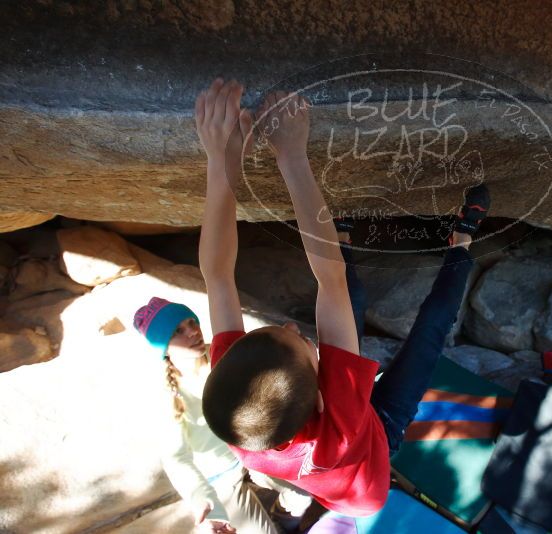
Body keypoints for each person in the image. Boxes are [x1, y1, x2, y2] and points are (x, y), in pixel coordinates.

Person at [194, 78, 490, 517]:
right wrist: (292, 154)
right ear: (319, 395)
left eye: (283, 330)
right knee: (427, 334)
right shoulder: (342, 423)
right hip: (375, 436)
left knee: (345, 299)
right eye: (300, 341)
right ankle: (461, 242)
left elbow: (216, 276)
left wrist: (221, 162)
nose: (294, 327)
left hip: (330, 464)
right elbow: (325, 279)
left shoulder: (240, 416)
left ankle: (345, 233)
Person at [132, 296, 279, 534]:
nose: (193, 331)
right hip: (221, 475)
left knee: (301, 497)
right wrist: (202, 497)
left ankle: (284, 519)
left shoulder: (223, 356)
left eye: (192, 322)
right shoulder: (165, 394)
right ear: (164, 348)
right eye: (178, 330)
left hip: (255, 452)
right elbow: (175, 457)